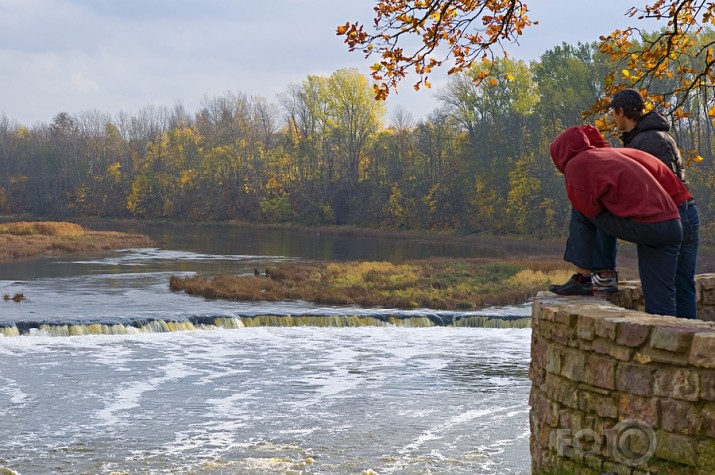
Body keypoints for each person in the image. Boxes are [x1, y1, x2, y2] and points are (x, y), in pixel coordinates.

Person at [548, 126, 682, 317]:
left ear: (560, 152)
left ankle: (584, 279)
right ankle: (672, 338)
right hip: (672, 224)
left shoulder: (577, 164)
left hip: (649, 226)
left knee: (582, 209)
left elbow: (588, 209)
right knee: (660, 299)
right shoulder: (605, 156)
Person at [592, 88, 699, 318]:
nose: (612, 118)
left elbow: (657, 189)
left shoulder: (648, 141)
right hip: (687, 214)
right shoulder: (655, 136)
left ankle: (669, 347)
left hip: (671, 217)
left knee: (662, 294)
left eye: (613, 113)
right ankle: (689, 342)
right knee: (683, 289)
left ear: (622, 112)